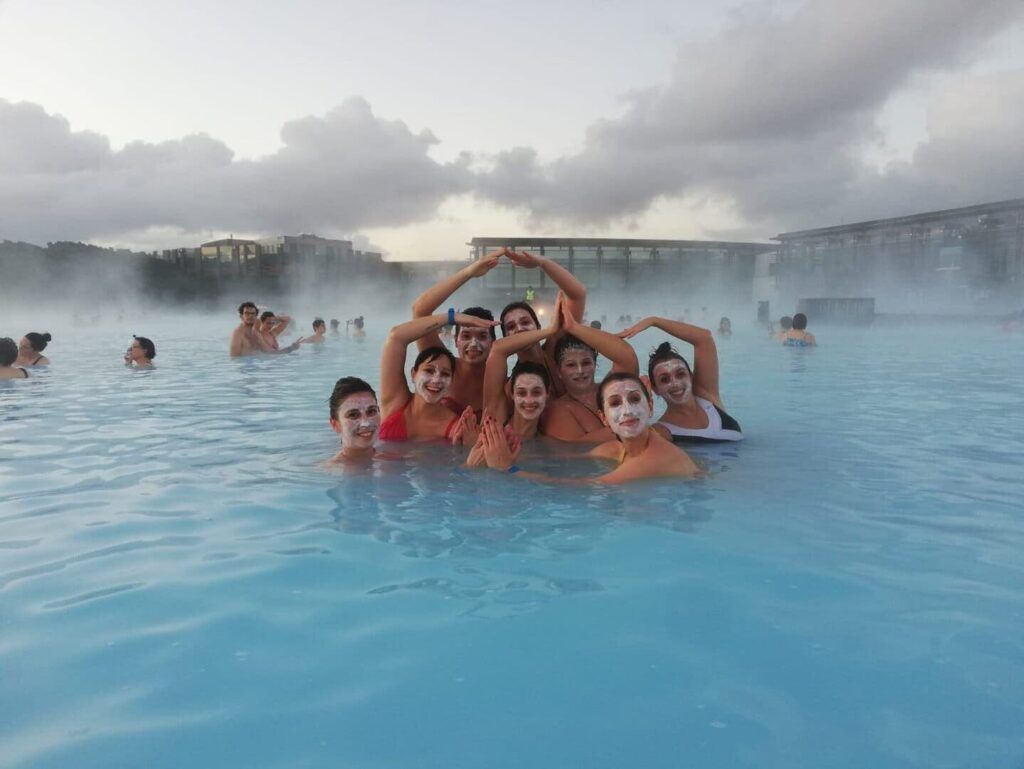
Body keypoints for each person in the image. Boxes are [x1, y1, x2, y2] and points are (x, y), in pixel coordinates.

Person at [475, 372, 698, 483]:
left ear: (650, 406)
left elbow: (582, 486)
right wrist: (499, 454)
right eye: (615, 403)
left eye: (634, 399)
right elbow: (560, 459)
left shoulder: (656, 458)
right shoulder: (618, 449)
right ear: (603, 417)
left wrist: (508, 469)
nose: (627, 410)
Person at [619, 316, 742, 443]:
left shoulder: (708, 397)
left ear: (691, 376)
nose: (675, 383)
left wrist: (654, 321)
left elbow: (704, 338)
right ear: (655, 389)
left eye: (680, 374)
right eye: (664, 379)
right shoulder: (662, 431)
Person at [378, 311, 499, 442]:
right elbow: (396, 336)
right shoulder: (394, 402)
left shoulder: (458, 429)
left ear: (452, 380)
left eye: (445, 374)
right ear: (413, 374)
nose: (436, 380)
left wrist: (470, 445)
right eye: (429, 371)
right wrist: (452, 317)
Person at [411, 250, 507, 413]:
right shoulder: (441, 367)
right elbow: (419, 311)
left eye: (482, 336)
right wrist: (469, 273)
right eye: (466, 336)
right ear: (456, 340)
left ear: (493, 342)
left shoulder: (500, 380)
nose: (473, 343)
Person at [541, 299, 639, 442]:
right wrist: (636, 426)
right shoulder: (559, 410)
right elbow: (574, 452)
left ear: (595, 364)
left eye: (586, 363)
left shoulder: (610, 390)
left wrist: (574, 328)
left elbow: (627, 358)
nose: (580, 370)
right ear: (559, 371)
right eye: (571, 365)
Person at [498, 248, 587, 396]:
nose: (519, 329)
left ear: (538, 326)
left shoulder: (556, 346)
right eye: (511, 327)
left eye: (525, 322)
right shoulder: (513, 387)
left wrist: (543, 262)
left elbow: (578, 294)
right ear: (506, 338)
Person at [324, 377, 386, 465]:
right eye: (353, 415)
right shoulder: (328, 472)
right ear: (335, 425)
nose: (366, 423)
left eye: (371, 411)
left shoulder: (396, 461)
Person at [230, 301, 302, 357]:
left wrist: (273, 317)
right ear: (241, 316)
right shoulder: (239, 333)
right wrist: (291, 348)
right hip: (246, 369)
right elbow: (270, 353)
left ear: (256, 316)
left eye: (253, 314)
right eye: (247, 313)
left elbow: (269, 352)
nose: (250, 316)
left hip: (253, 365)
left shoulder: (256, 331)